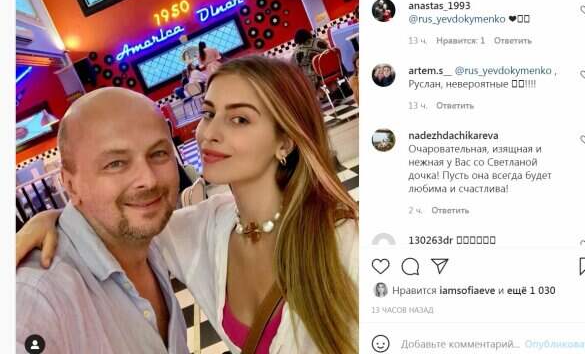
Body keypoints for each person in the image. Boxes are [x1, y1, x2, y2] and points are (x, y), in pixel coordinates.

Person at [17, 56, 359, 354]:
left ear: (284, 141)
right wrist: (54, 219)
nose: (209, 133)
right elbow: (112, 223)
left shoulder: (344, 241)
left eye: (239, 119)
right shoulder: (202, 228)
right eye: (209, 113)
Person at [16, 88, 188, 353]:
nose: (148, 179)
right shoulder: (37, 296)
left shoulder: (153, 239)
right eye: (116, 163)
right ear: (70, 185)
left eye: (158, 153)